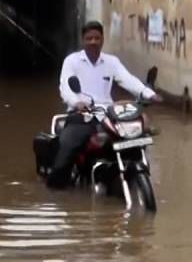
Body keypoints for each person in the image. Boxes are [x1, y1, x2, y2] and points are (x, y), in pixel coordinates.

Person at [47, 21, 162, 189]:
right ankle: (55, 189)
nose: (93, 41)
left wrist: (149, 94)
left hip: (108, 114)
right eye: (89, 38)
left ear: (102, 39)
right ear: (83, 40)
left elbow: (128, 80)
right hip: (82, 114)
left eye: (97, 38)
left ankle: (128, 173)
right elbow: (65, 87)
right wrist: (76, 102)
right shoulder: (72, 61)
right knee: (68, 146)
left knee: (137, 136)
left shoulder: (111, 62)